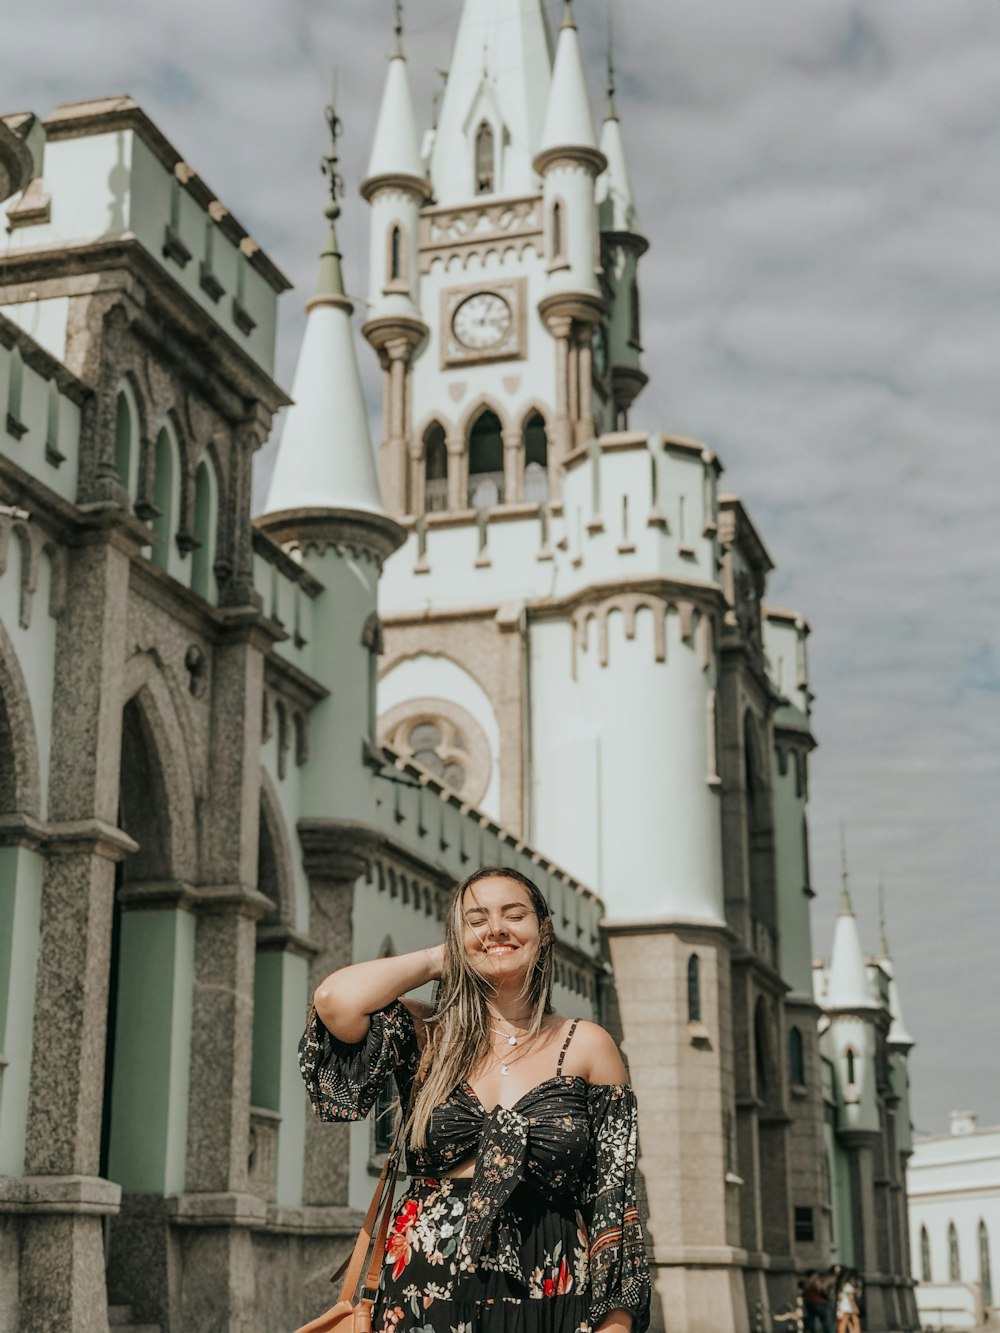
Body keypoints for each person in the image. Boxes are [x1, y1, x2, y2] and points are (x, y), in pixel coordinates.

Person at [300, 866, 652, 1333]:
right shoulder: (427, 1034)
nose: (497, 928)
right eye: (476, 919)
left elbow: (616, 1200)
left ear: (543, 931)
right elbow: (334, 1001)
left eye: (514, 915)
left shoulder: (588, 1045)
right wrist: (438, 959)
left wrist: (617, 1323)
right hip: (424, 1288)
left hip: (553, 1290)